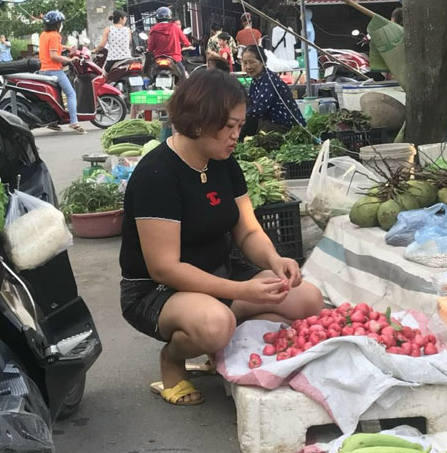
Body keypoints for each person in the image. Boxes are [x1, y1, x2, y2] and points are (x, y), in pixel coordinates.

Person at [120, 68, 324, 406]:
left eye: (240, 126)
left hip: (221, 274)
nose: (235, 136)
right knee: (215, 323)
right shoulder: (157, 175)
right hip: (157, 292)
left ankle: (221, 352)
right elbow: (163, 269)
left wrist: (275, 260)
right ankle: (173, 361)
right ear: (199, 121)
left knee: (307, 300)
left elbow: (246, 230)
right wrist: (242, 291)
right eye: (229, 126)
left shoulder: (222, 162)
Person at [241, 45, 306, 137]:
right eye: (245, 63)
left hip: (285, 128)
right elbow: (250, 104)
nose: (248, 66)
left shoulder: (268, 80)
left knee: (243, 122)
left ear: (262, 62)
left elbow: (258, 110)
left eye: (252, 62)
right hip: (269, 123)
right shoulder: (256, 81)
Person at [39, 9, 83, 132]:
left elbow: (52, 47)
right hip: (54, 70)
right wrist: (69, 60)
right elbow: (54, 55)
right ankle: (74, 122)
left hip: (43, 69)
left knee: (56, 96)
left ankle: (53, 121)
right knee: (71, 93)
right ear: (57, 24)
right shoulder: (54, 36)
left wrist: (67, 47)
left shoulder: (44, 34)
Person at [146, 6, 190, 74]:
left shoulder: (153, 29)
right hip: (175, 58)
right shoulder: (175, 28)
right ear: (170, 17)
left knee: (150, 74)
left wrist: (149, 50)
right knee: (184, 76)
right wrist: (187, 44)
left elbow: (150, 47)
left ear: (157, 18)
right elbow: (186, 43)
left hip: (158, 58)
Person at [95, 9, 133, 75]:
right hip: (127, 59)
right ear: (121, 19)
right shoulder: (128, 30)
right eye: (125, 18)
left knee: (104, 76)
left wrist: (95, 50)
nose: (126, 19)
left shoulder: (108, 29)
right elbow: (128, 43)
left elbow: (101, 45)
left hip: (112, 61)